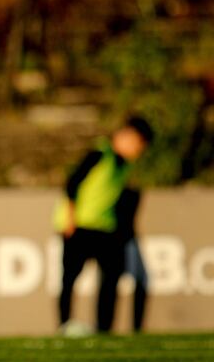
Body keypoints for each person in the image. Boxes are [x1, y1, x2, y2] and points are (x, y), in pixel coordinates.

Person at [54, 116, 153, 335]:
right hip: (80, 225)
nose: (138, 151)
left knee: (111, 275)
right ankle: (64, 324)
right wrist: (70, 220)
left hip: (106, 228)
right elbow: (72, 183)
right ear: (126, 136)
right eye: (138, 144)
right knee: (70, 277)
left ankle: (104, 327)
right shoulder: (100, 155)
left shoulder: (123, 165)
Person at [115, 187, 148, 332]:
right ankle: (104, 324)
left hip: (128, 237)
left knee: (142, 280)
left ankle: (137, 327)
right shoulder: (113, 187)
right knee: (110, 281)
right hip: (120, 238)